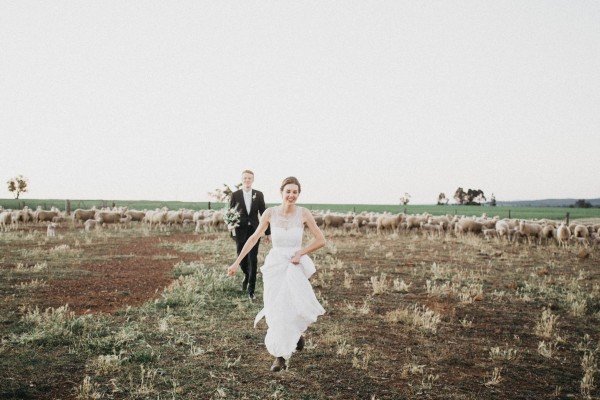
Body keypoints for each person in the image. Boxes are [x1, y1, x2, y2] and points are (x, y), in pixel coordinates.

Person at [227, 176, 326, 372]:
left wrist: (301, 253)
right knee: (275, 308)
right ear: (281, 192)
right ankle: (283, 349)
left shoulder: (304, 213)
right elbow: (254, 238)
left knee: (291, 306)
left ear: (299, 194)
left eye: (295, 192)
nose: (291, 195)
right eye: (288, 191)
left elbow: (320, 240)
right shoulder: (270, 213)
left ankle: (281, 355)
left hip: (294, 266)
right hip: (275, 266)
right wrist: (236, 262)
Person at [228, 170, 271, 300]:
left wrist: (268, 233)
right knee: (241, 259)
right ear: (242, 180)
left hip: (254, 230)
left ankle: (251, 290)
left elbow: (264, 214)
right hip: (240, 231)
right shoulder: (235, 195)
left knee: (253, 259)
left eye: (249, 178)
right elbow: (230, 212)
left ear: (253, 180)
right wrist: (230, 225)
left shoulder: (258, 194)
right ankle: (247, 274)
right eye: (245, 178)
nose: (247, 180)